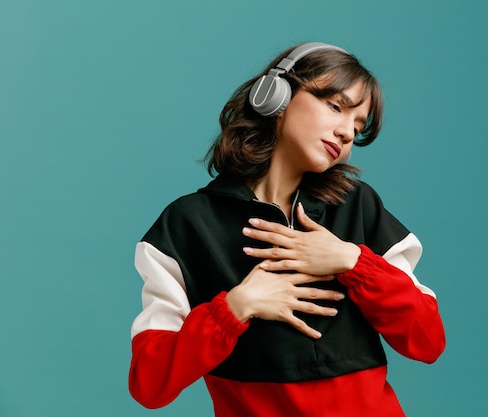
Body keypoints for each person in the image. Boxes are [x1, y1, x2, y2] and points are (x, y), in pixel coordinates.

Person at [128, 42, 445, 417]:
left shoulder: (358, 207)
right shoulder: (187, 226)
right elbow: (148, 383)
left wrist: (353, 262)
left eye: (357, 127)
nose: (346, 133)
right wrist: (234, 308)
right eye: (336, 107)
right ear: (275, 97)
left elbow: (428, 340)